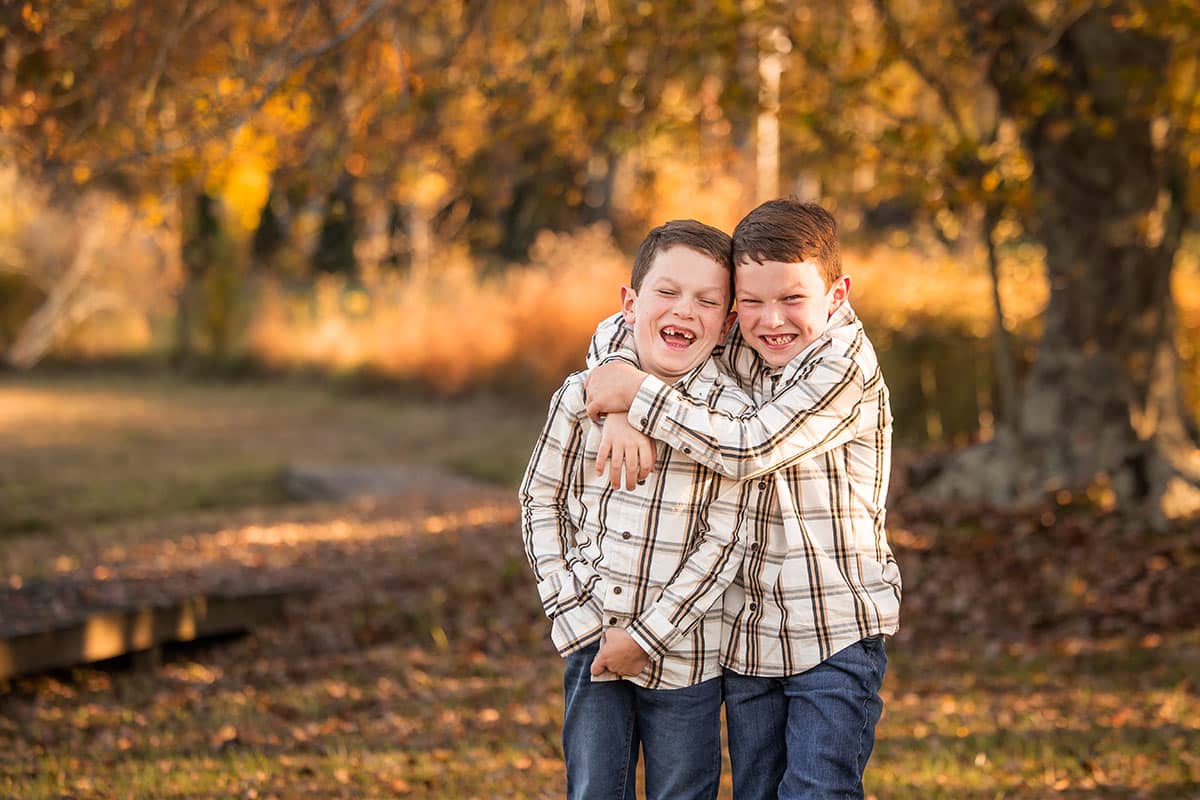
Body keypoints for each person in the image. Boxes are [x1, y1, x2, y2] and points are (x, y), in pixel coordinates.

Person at [585, 198, 902, 800]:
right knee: (756, 790)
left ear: (837, 295)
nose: (771, 319)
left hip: (833, 630)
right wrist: (620, 404)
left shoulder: (842, 366)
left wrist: (640, 397)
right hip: (748, 638)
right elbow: (627, 327)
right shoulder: (743, 345)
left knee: (816, 789)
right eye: (751, 302)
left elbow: (751, 447)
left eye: (792, 299)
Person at [519, 219, 760, 800]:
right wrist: (569, 606)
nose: (685, 310)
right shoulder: (580, 397)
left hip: (686, 656)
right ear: (630, 303)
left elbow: (727, 542)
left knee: (685, 790)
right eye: (667, 292)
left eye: (707, 300)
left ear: (727, 323)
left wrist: (649, 638)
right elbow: (539, 499)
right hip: (592, 635)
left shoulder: (728, 417)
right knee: (595, 789)